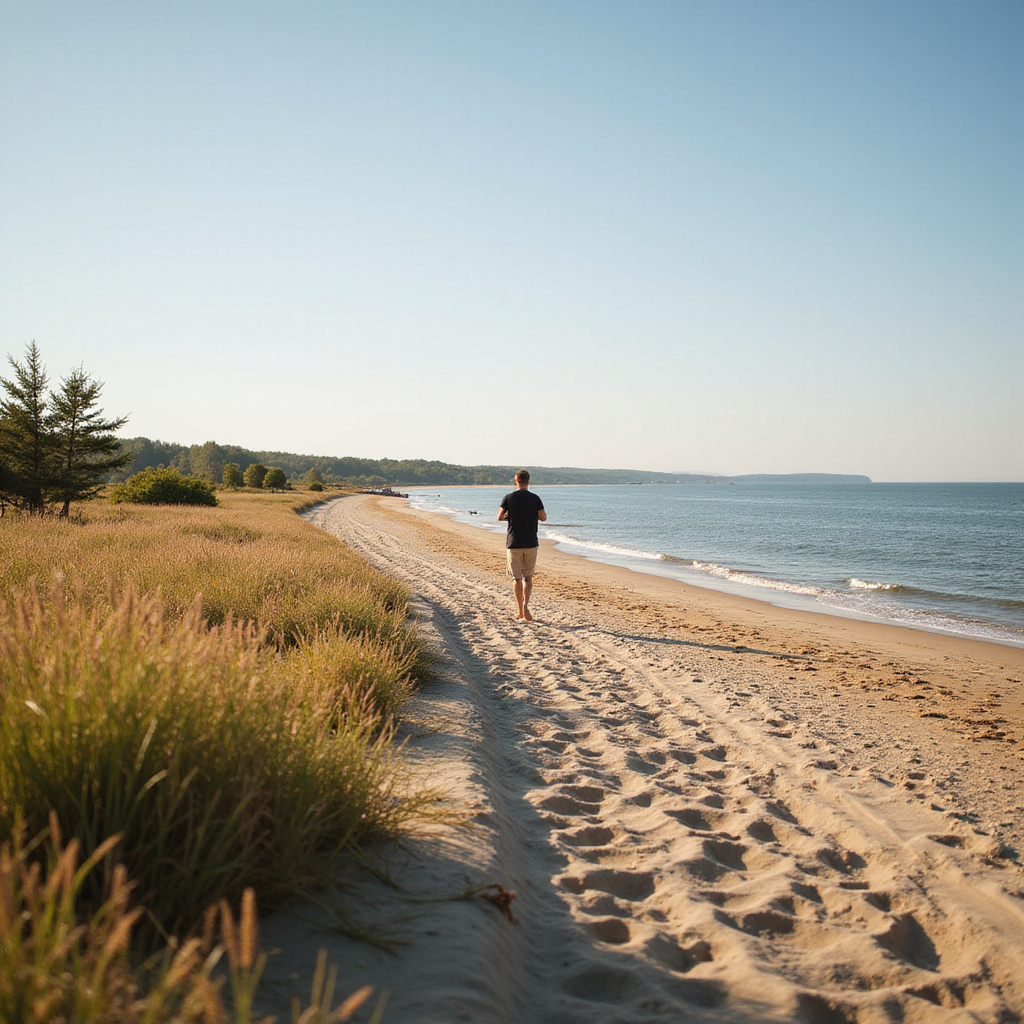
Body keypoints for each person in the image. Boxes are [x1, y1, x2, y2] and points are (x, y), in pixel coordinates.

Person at [498, 469, 547, 621]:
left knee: (516, 578)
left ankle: (520, 610)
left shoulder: (508, 498)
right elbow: (543, 517)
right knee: (528, 577)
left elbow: (499, 517)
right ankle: (526, 607)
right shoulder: (535, 498)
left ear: (516, 481)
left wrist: (511, 516)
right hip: (531, 542)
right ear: (528, 481)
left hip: (514, 542)